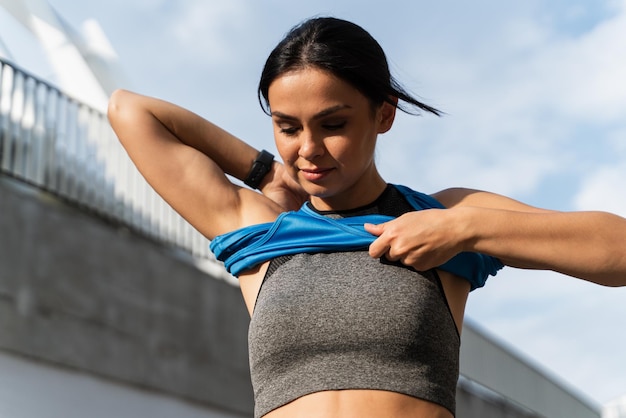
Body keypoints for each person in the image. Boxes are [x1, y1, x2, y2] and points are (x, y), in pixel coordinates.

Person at [107, 16, 626, 418]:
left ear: (384, 114)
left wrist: (464, 228)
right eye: (288, 127)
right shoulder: (261, 231)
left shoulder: (443, 217)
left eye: (333, 124)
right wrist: (264, 171)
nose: (308, 149)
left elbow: (617, 251)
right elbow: (129, 110)